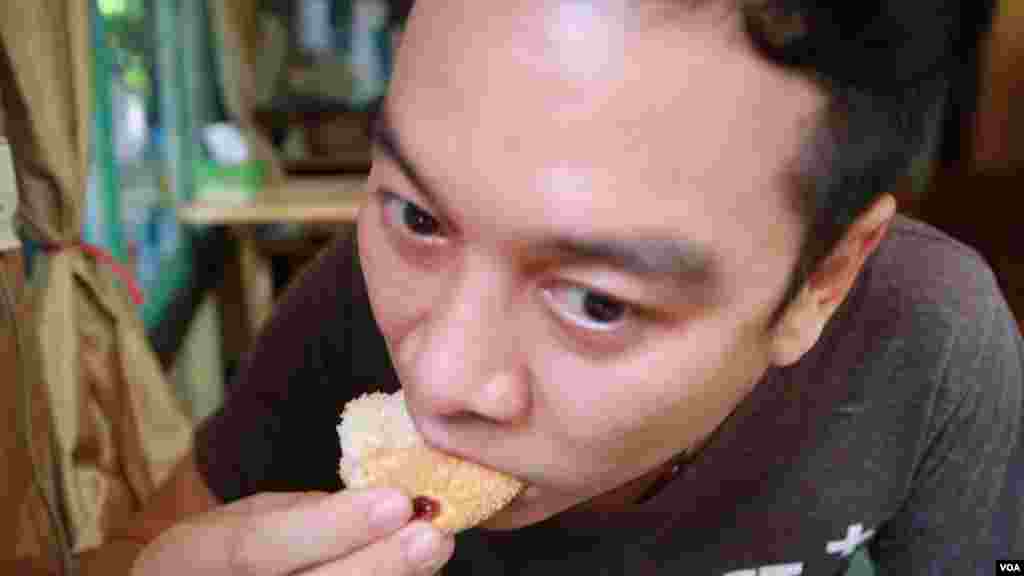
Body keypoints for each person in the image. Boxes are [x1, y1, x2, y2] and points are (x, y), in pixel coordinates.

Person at [105, 1, 1024, 575]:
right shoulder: (346, 301)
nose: (440, 379)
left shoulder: (934, 336)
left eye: (597, 302)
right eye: (419, 217)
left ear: (824, 279)